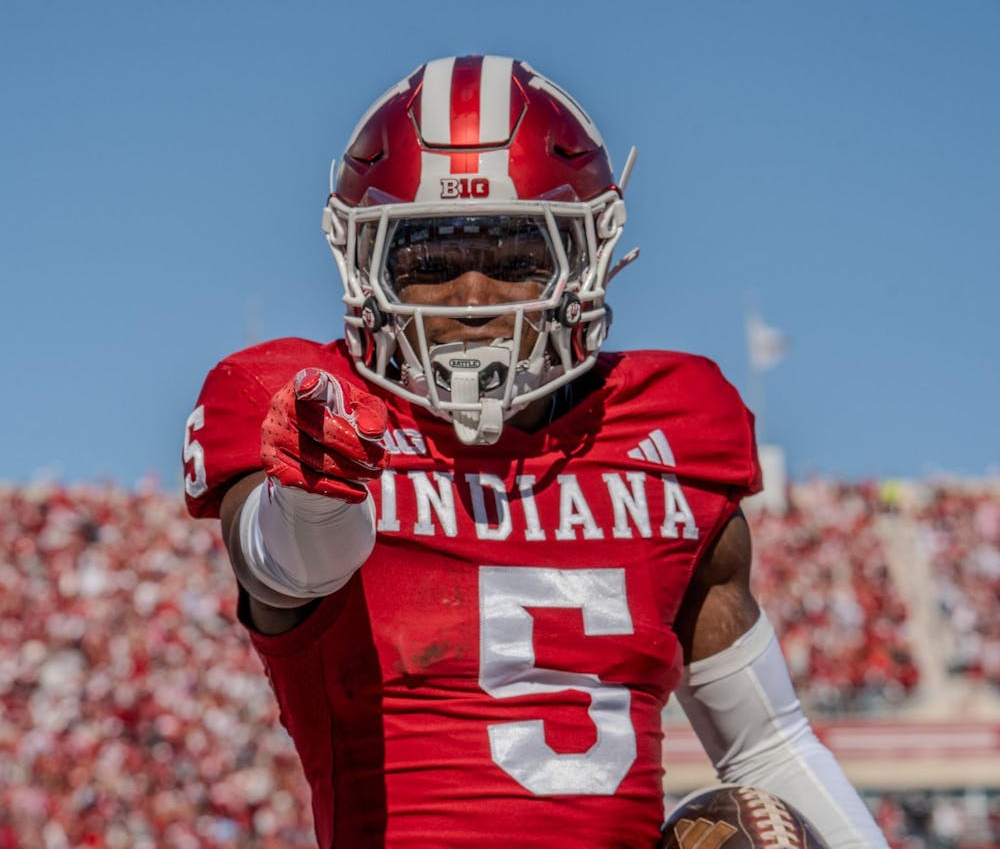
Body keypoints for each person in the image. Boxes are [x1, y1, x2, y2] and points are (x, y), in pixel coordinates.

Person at [183, 55, 888, 848]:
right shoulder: (314, 405)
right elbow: (286, 570)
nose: (474, 298)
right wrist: (317, 494)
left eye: (518, 258)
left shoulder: (676, 423)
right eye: (429, 262)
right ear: (364, 263)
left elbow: (766, 745)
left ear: (588, 254)